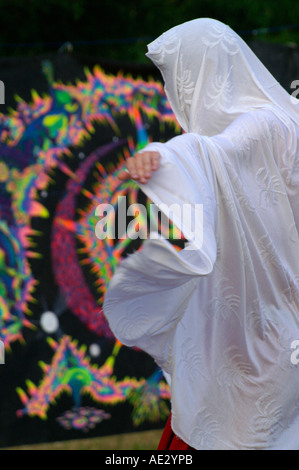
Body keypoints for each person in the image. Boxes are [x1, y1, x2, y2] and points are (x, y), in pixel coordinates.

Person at [103, 18, 299, 450]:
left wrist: (160, 155)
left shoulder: (267, 125)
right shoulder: (280, 122)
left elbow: (217, 154)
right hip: (252, 331)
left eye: (179, 75)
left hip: (263, 340)